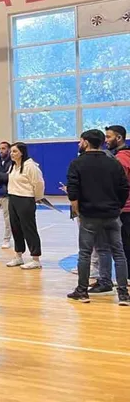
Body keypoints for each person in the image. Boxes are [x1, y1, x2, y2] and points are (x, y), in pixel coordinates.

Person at [65, 129, 129, 305]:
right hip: (111, 214)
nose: (79, 144)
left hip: (89, 215)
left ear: (86, 142)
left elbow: (73, 191)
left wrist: (77, 211)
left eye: (80, 141)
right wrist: (117, 207)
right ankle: (123, 294)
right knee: (118, 253)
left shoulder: (77, 163)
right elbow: (124, 188)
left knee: (85, 254)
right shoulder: (113, 162)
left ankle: (82, 291)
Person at [5, 142, 45, 270]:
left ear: (22, 152)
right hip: (13, 199)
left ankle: (35, 259)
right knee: (15, 228)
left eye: (15, 151)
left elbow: (38, 183)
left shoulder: (31, 166)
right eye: (11, 151)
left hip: (26, 199)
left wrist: (37, 197)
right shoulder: (12, 166)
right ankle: (18, 256)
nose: (12, 154)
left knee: (29, 228)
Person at [106, 125, 130, 284]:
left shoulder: (121, 159)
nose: (106, 140)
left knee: (125, 244)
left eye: (109, 137)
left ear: (119, 138)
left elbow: (117, 185)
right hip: (124, 206)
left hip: (125, 208)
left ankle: (127, 276)